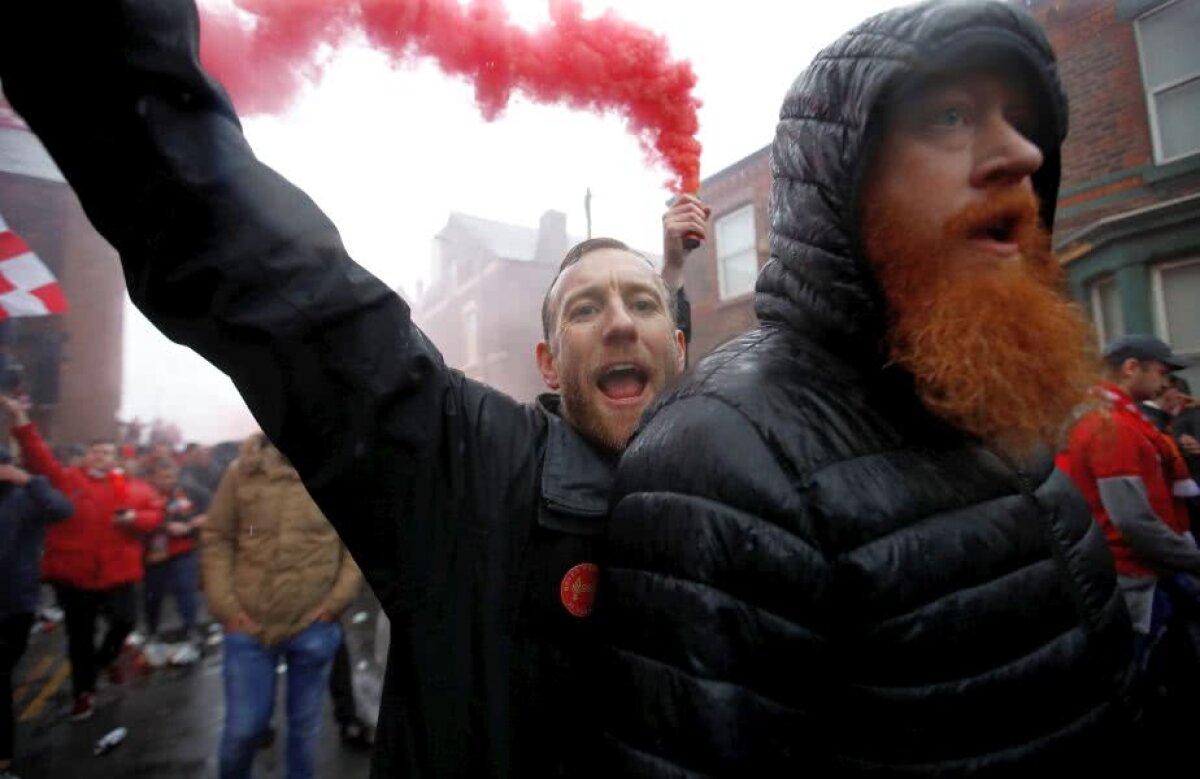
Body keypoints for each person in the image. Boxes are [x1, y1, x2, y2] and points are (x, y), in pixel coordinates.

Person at [0, 3, 699, 774]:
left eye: (643, 304)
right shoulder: (473, 469)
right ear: (545, 362)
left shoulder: (741, 483)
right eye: (585, 307)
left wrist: (671, 275)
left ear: (680, 342)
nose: (622, 325)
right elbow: (273, 280)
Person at [597, 1, 1142, 774]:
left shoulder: (983, 398)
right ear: (840, 183)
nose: (1020, 152)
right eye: (951, 115)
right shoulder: (719, 455)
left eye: (1021, 119)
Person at [201, 432, 362, 779]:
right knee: (243, 730)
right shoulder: (241, 471)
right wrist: (226, 608)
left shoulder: (335, 472)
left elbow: (355, 542)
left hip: (313, 626)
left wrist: (335, 604)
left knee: (304, 733)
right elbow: (218, 537)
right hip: (248, 626)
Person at [1, 397, 163, 722]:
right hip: (74, 575)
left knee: (125, 621)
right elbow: (38, 458)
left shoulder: (134, 487)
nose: (100, 457)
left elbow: (155, 514)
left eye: (107, 453)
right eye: (95, 452)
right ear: (86, 457)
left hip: (118, 572)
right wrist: (20, 419)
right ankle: (82, 693)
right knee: (80, 637)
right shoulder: (69, 481)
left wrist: (135, 518)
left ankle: (105, 661)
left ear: (116, 457)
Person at [1062, 336, 1200, 660]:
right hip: (1137, 580)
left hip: (1144, 574)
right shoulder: (1113, 427)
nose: (1166, 384)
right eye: (1161, 373)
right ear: (1131, 368)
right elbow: (1133, 522)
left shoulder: (1110, 418)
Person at [0, 443, 73, 779]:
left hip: (14, 604)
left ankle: (3, 760)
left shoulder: (25, 499)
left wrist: (29, 479)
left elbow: (62, 509)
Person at [141, 456, 211, 667]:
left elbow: (211, 507)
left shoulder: (189, 489)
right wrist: (164, 527)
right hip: (154, 555)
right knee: (153, 595)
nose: (168, 480)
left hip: (184, 550)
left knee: (186, 591)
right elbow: (137, 519)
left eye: (172, 475)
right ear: (153, 477)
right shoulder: (144, 493)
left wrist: (195, 522)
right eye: (163, 476)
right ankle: (152, 632)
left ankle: (191, 630)